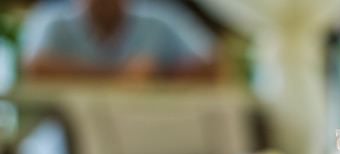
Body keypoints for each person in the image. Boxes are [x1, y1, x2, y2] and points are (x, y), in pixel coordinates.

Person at [19, 0, 220, 80]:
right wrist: (122, 75)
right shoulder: (53, 21)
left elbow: (212, 63)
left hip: (145, 138)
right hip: (60, 152)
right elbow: (35, 66)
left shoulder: (157, 20)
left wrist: (160, 72)